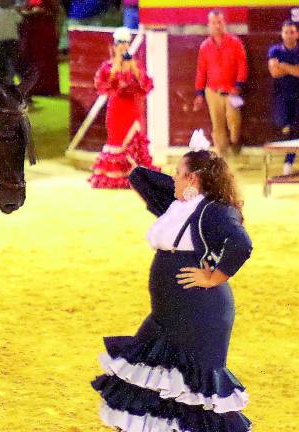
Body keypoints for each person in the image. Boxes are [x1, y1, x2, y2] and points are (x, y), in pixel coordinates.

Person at [92, 131, 253, 432]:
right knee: (157, 379)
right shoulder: (179, 205)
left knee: (193, 390)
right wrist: (139, 168)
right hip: (169, 313)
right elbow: (147, 181)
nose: (172, 179)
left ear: (192, 180)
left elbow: (241, 245)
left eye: (178, 174)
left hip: (198, 315)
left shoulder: (213, 210)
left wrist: (213, 277)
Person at [89, 27, 157, 189]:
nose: (123, 46)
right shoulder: (107, 67)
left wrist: (132, 69)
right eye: (120, 43)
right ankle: (119, 175)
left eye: (126, 43)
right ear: (114, 46)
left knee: (135, 140)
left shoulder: (136, 67)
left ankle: (137, 175)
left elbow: (146, 85)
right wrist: (116, 68)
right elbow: (102, 86)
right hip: (117, 111)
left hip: (133, 111)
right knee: (117, 141)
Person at [192, 10, 248, 159]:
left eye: (220, 22)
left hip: (232, 90)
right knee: (218, 126)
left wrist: (239, 85)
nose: (217, 25)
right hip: (212, 91)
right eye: (214, 23)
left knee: (234, 121)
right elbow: (201, 71)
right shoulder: (205, 46)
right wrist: (199, 93)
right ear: (209, 25)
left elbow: (242, 65)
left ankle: (235, 145)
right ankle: (223, 158)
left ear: (224, 24)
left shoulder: (235, 42)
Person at [268, 20, 299, 175]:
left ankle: (289, 161)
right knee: (282, 124)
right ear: (281, 34)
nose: (289, 35)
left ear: (297, 34)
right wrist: (291, 68)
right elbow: (274, 73)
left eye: (292, 32)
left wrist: (283, 65)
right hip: (281, 96)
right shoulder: (275, 50)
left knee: (295, 129)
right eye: (286, 32)